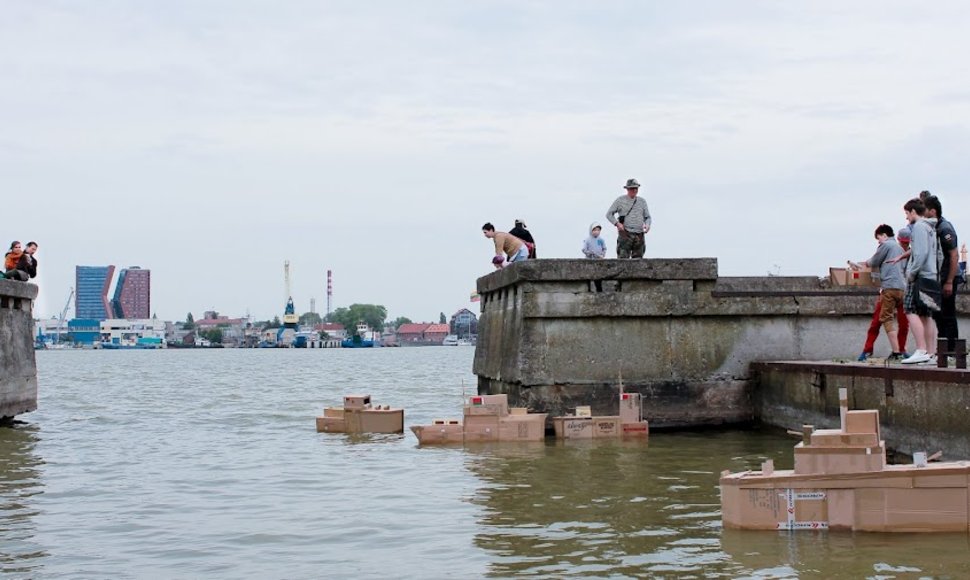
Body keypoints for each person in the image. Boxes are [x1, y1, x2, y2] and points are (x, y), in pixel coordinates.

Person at [849, 225, 907, 361]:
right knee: (903, 322)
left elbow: (874, 261)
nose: (878, 242)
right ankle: (902, 350)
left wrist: (860, 265)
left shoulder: (886, 245)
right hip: (902, 288)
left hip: (889, 287)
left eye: (878, 238)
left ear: (884, 235)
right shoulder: (899, 248)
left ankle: (896, 351)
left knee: (885, 318)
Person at [901, 198, 941, 364]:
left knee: (910, 310)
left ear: (913, 212)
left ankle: (921, 349)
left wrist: (912, 272)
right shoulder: (931, 228)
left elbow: (920, 253)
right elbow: (940, 255)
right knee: (927, 314)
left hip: (920, 276)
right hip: (931, 275)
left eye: (907, 214)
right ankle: (931, 353)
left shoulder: (918, 227)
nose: (906, 218)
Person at [922, 195, 961, 347]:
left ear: (932, 211)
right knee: (938, 314)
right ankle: (943, 348)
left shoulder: (945, 228)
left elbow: (954, 255)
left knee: (948, 314)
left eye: (924, 210)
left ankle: (952, 349)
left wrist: (949, 281)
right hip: (938, 277)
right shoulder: (933, 227)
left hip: (947, 277)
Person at [606, 178, 652, 258]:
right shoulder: (620, 200)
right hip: (625, 233)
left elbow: (647, 217)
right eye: (632, 188)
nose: (634, 190)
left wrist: (647, 225)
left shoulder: (642, 201)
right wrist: (617, 224)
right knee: (622, 259)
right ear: (627, 189)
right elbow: (609, 214)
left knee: (638, 261)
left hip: (639, 234)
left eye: (636, 188)